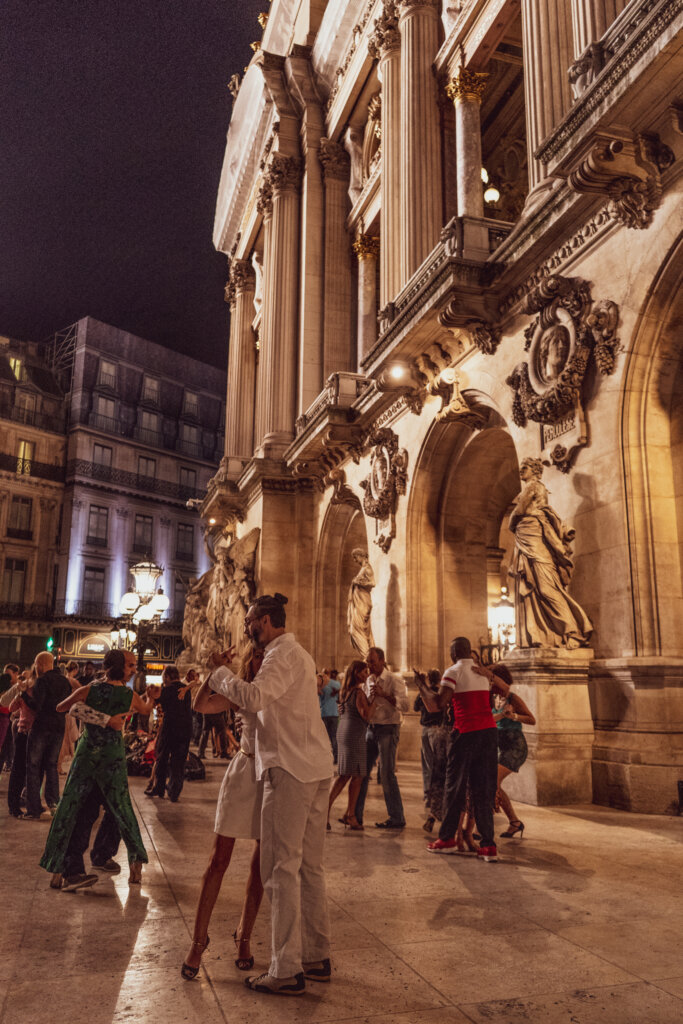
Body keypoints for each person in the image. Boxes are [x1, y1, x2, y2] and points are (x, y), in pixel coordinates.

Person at [208, 592, 333, 997]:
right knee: (309, 867)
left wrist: (220, 673)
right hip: (314, 767)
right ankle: (315, 955)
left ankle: (285, 969)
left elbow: (255, 698)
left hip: (290, 769)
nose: (246, 628)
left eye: (249, 621)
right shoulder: (301, 654)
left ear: (265, 619)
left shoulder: (281, 654)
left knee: (280, 869)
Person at [181, 645, 265, 980]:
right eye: (257, 656)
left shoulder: (280, 687)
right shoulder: (242, 692)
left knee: (261, 863)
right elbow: (200, 705)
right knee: (219, 859)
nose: (262, 660)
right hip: (244, 771)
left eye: (266, 655)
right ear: (250, 661)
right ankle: (198, 942)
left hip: (272, 776)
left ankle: (244, 935)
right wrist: (212, 672)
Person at [39, 649, 153, 889]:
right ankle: (134, 865)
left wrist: (98, 717)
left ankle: (59, 869)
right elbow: (145, 710)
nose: (134, 670)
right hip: (111, 761)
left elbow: (62, 707)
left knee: (71, 810)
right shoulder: (128, 694)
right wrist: (109, 719)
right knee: (122, 810)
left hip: (86, 759)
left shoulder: (87, 690)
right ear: (119, 666)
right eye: (130, 665)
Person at [417, 636, 509, 863]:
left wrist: (420, 684)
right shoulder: (483, 673)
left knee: (454, 787)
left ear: (454, 653)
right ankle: (488, 846)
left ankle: (447, 839)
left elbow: (437, 705)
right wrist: (491, 676)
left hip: (465, 733)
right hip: (488, 733)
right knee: (483, 790)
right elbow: (506, 690)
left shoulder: (453, 671)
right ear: (470, 652)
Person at [509, 457, 592, 648]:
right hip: (527, 539)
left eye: (525, 468)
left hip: (534, 541)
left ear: (536, 471)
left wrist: (511, 522)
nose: (521, 471)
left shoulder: (532, 486)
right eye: (520, 468)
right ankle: (545, 633)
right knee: (536, 589)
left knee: (546, 587)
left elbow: (520, 510)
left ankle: (573, 630)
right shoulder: (530, 487)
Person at [355, 646, 409, 830]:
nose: (369, 665)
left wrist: (385, 695)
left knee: (386, 773)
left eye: (372, 662)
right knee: (362, 771)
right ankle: (356, 816)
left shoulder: (394, 679)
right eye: (368, 662)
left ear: (382, 661)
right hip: (371, 728)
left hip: (388, 728)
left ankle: (397, 817)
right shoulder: (368, 680)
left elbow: (405, 705)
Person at [21, 652, 72, 818]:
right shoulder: (65, 681)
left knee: (33, 765)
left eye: (36, 664)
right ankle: (54, 803)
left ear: (41, 664)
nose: (36, 668)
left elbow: (37, 705)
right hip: (59, 726)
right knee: (51, 765)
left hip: (42, 726)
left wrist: (23, 695)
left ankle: (34, 808)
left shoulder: (42, 681)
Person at [326, 660, 376, 831]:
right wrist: (376, 698)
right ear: (356, 673)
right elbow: (367, 715)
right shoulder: (359, 693)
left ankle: (345, 813)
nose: (367, 674)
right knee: (353, 776)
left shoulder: (344, 691)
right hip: (354, 734)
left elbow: (342, 711)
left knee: (348, 775)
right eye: (364, 672)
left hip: (345, 731)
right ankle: (349, 815)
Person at [490, 664, 535, 838]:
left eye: (492, 679)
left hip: (516, 747)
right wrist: (501, 716)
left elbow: (531, 719)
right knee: (494, 784)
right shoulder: (491, 698)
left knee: (492, 781)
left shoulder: (513, 698)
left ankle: (480, 827)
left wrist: (514, 716)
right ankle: (515, 822)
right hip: (501, 746)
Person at [147, 666, 193, 802]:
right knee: (179, 761)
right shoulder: (186, 690)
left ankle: (159, 788)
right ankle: (174, 792)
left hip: (169, 728)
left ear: (167, 677)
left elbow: (154, 703)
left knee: (162, 758)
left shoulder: (166, 690)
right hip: (185, 728)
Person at [413, 669, 448, 833]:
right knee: (435, 767)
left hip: (428, 730)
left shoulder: (431, 693)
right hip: (437, 730)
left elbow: (415, 707)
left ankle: (429, 796)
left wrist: (421, 686)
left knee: (429, 766)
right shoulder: (440, 693)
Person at [57, 661, 81, 774]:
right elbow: (82, 693)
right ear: (75, 670)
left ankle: (58, 765)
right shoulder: (73, 681)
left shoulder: (61, 680)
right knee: (65, 740)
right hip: (69, 712)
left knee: (63, 739)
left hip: (63, 712)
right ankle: (58, 766)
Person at [0, 663, 19, 772]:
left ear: (16, 674)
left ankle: (8, 763)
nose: (6, 676)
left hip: (11, 719)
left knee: (8, 745)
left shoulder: (18, 687)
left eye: (8, 674)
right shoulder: (3, 685)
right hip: (3, 717)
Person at [318, 669, 341, 763]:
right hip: (334, 713)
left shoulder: (322, 684)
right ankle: (336, 758)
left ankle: (326, 758)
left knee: (325, 738)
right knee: (334, 736)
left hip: (324, 713)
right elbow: (340, 698)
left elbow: (319, 695)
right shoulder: (337, 684)